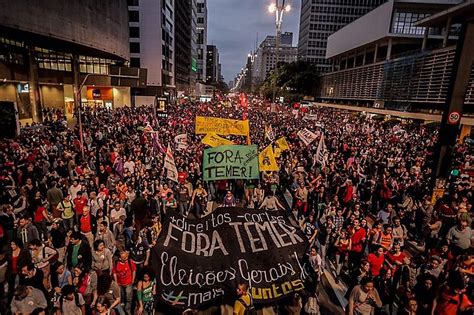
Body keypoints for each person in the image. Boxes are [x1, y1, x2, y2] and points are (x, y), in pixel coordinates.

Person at [113, 251, 136, 315]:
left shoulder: (130, 262)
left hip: (128, 283)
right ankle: (122, 310)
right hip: (120, 284)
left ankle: (128, 310)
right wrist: (116, 282)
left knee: (129, 297)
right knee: (121, 297)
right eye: (124, 258)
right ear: (120, 258)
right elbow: (114, 272)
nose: (126, 259)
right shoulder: (116, 263)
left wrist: (133, 279)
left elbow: (134, 270)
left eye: (126, 257)